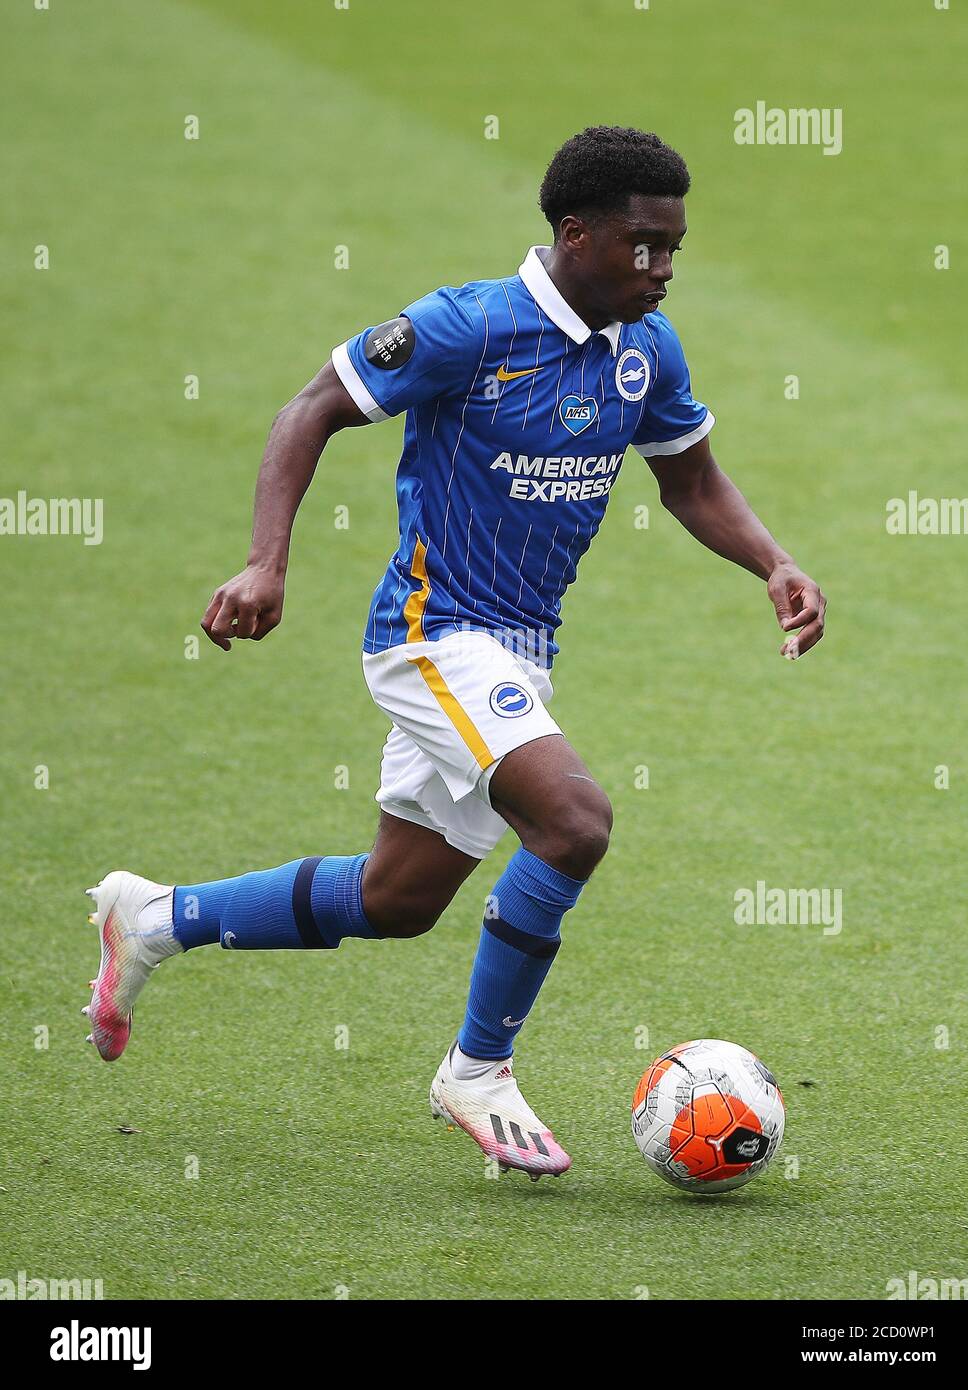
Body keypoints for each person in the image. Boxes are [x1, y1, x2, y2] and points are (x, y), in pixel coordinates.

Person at [84, 126, 825, 1179]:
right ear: (574, 234)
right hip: (432, 636)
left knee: (398, 898)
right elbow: (310, 410)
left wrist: (772, 563)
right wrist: (264, 563)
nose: (662, 268)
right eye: (641, 245)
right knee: (573, 823)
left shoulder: (643, 348)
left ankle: (156, 917)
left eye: (673, 247)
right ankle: (477, 1068)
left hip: (519, 654)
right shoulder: (466, 326)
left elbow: (690, 483)